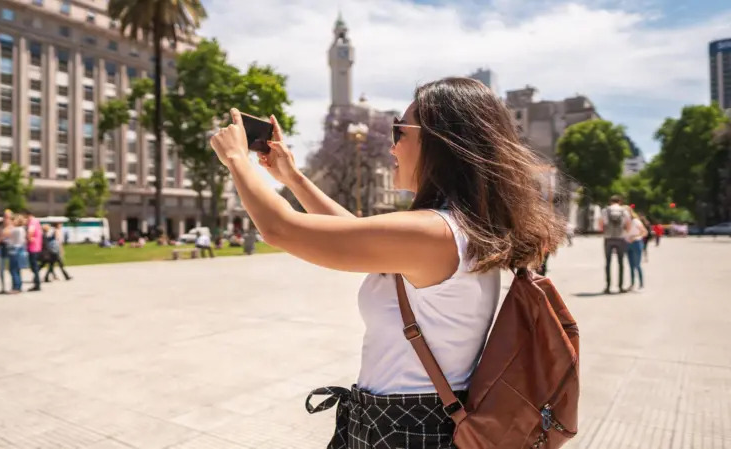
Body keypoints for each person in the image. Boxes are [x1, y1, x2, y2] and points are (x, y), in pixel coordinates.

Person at [209, 78, 565, 447]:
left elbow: (282, 229)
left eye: (399, 130)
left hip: (405, 431)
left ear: (440, 143)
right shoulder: (459, 226)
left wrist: (237, 159)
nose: (390, 144)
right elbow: (356, 233)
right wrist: (293, 178)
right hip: (420, 420)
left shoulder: (436, 232)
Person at [599, 195, 632, 294]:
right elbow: (628, 224)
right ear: (620, 201)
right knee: (621, 263)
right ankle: (620, 287)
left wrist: (604, 232)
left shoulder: (605, 210)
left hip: (608, 239)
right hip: (621, 238)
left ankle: (608, 287)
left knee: (608, 263)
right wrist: (625, 233)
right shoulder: (623, 211)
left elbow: (600, 223)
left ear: (610, 201)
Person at [625, 208, 648, 290]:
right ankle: (632, 284)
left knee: (637, 265)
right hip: (627, 244)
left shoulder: (636, 221)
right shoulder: (624, 222)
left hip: (636, 243)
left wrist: (636, 237)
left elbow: (645, 232)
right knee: (631, 266)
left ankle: (641, 285)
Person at [6, 214, 27, 294]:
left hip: (14, 249)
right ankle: (18, 286)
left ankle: (16, 287)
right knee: (17, 269)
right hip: (20, 249)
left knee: (13, 269)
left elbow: (7, 235)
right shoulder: (22, 229)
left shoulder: (15, 229)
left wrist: (9, 225)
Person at [23, 210, 43, 292]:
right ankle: (37, 282)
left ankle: (37, 284)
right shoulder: (37, 221)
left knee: (34, 266)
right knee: (35, 266)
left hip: (32, 247)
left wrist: (27, 238)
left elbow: (30, 233)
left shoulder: (32, 222)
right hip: (38, 246)